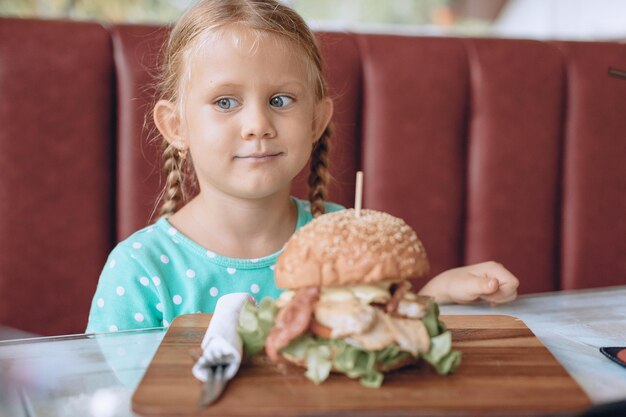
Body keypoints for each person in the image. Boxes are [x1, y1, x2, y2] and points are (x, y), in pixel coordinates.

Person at [86, 0, 518, 334]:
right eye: (225, 102)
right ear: (176, 126)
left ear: (316, 120)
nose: (257, 125)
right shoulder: (141, 270)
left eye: (280, 100)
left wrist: (439, 296)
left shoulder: (348, 240)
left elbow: (384, 331)